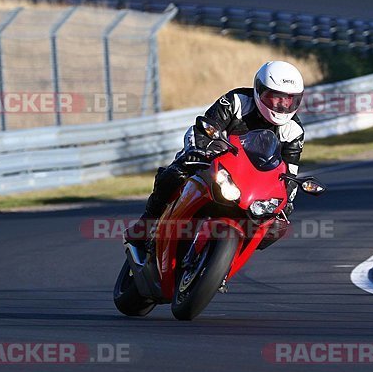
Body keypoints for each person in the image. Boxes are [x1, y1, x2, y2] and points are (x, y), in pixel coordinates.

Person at [124, 60, 306, 251]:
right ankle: (146, 225)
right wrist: (203, 151)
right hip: (215, 162)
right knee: (174, 174)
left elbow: (289, 171)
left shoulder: (294, 130)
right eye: (276, 97)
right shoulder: (236, 101)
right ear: (260, 90)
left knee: (275, 226)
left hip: (251, 183)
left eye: (290, 99)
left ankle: (226, 266)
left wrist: (286, 200)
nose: (283, 104)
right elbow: (205, 127)